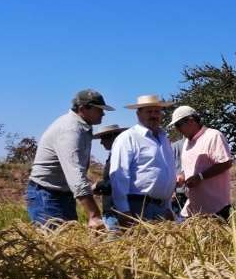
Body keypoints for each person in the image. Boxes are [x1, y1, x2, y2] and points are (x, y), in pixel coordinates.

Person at [26, 89, 112, 229]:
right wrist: (94, 214)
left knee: (68, 243)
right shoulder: (70, 130)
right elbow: (75, 175)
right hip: (47, 194)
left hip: (63, 194)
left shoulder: (83, 127)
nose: (103, 113)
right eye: (99, 109)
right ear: (83, 109)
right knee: (54, 245)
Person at [109, 94, 177, 223]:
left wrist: (168, 206)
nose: (153, 115)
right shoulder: (128, 138)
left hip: (161, 208)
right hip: (138, 207)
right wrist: (124, 211)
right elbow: (119, 176)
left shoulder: (164, 138)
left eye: (157, 111)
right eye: (149, 111)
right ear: (138, 114)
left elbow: (169, 172)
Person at [170, 105, 234, 220]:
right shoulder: (186, 143)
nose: (177, 129)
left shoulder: (213, 136)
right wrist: (182, 177)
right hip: (194, 208)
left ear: (191, 121)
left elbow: (226, 163)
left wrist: (200, 177)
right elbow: (190, 169)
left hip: (215, 208)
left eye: (178, 125)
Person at [91, 124, 127, 231]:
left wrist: (97, 185)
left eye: (103, 138)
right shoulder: (114, 155)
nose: (101, 142)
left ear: (112, 137)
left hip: (114, 211)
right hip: (113, 209)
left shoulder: (118, 157)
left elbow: (116, 183)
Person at [170, 137, 188, 216]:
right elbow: (169, 169)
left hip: (186, 192)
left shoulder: (174, 146)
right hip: (180, 192)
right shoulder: (175, 146)